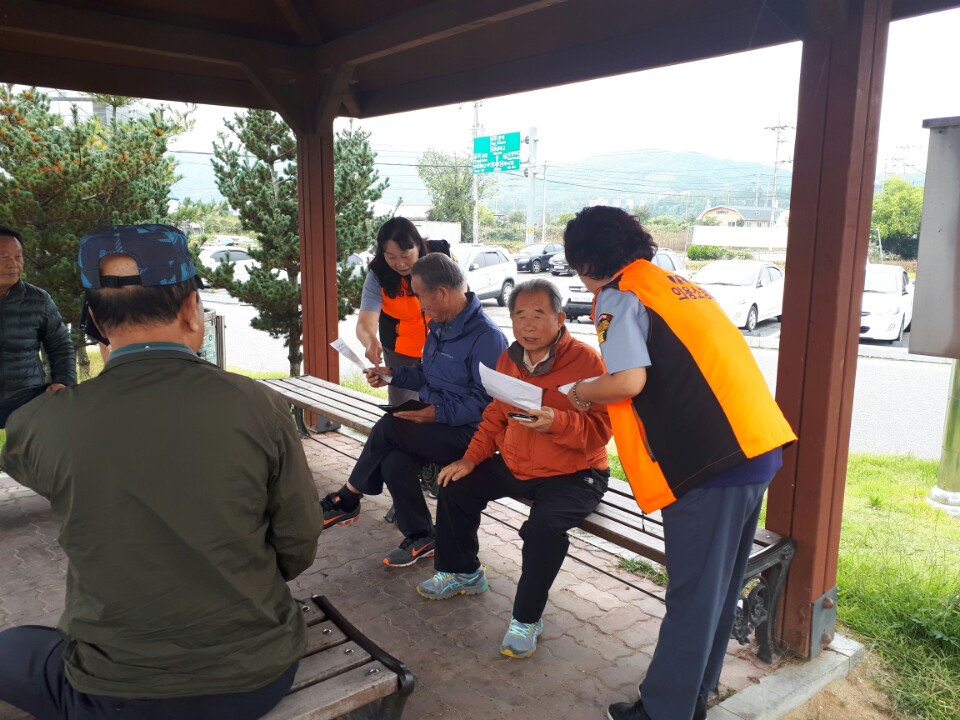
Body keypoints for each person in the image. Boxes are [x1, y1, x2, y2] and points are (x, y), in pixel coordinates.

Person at [0, 224, 323, 720]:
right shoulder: (261, 406)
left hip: (116, 693)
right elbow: (298, 542)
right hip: (259, 676)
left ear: (94, 320)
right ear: (192, 308)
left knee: (14, 649)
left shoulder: (43, 425)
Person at [561, 207, 797, 720]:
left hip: (710, 462)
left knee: (693, 595)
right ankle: (695, 694)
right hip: (757, 446)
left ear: (586, 262)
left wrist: (579, 391)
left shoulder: (620, 295)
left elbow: (628, 381)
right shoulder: (677, 284)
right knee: (719, 587)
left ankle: (664, 710)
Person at [417, 279, 612, 659]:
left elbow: (602, 430)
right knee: (456, 486)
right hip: (517, 462)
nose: (528, 324)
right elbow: (495, 415)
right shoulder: (509, 359)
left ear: (559, 318)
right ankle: (463, 572)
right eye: (520, 315)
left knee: (543, 529)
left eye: (539, 314)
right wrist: (470, 458)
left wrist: (557, 421)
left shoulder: (588, 362)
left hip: (575, 473)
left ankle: (526, 619)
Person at [321, 252, 508, 567]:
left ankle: (349, 496)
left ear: (441, 294)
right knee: (394, 460)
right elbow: (425, 372)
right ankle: (421, 535)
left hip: (470, 435)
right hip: (438, 423)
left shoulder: (487, 338)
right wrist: (392, 374)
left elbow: (487, 403)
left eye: (421, 296)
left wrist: (436, 413)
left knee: (390, 426)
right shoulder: (440, 326)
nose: (420, 305)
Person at [0, 225, 76, 428]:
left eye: (18, 256)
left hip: (28, 402)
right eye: (3, 257)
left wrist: (63, 383)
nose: (13, 264)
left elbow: (61, 346)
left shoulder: (39, 300)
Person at [356, 217, 429, 406]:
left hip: (442, 348)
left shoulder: (438, 260)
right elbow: (365, 322)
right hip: (400, 351)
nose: (400, 264)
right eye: (391, 257)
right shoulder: (378, 273)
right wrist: (370, 341)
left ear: (418, 246)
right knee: (403, 410)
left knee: (443, 405)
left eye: (405, 255)